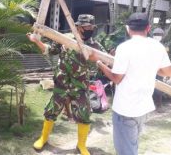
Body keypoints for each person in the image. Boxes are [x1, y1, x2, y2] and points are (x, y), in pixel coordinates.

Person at [96, 13, 171, 155]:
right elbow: (167, 72)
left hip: (125, 109)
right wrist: (151, 67)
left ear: (128, 29)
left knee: (126, 150)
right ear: (148, 28)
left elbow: (116, 78)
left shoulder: (125, 48)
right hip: (143, 108)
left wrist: (99, 64)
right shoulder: (157, 46)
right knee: (132, 145)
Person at [27, 14, 100, 155]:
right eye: (87, 27)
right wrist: (36, 41)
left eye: (92, 27)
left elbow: (102, 61)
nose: (90, 29)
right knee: (51, 111)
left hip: (80, 87)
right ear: (78, 27)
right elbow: (50, 50)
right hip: (62, 85)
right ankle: (43, 138)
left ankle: (81, 146)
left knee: (84, 114)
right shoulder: (64, 39)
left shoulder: (94, 45)